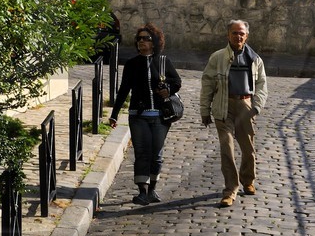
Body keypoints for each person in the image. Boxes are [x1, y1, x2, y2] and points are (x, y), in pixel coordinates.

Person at [108, 22, 182, 205]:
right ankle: (141, 191)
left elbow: (177, 82)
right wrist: (114, 114)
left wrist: (168, 90)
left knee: (156, 153)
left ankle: (152, 190)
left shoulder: (164, 62)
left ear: (155, 42)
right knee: (141, 152)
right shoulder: (132, 64)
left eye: (146, 39)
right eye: (139, 39)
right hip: (138, 115)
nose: (141, 42)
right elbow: (123, 90)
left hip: (160, 116)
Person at [200, 18, 268, 207]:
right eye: (234, 33)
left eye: (241, 33)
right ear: (228, 35)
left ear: (247, 36)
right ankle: (230, 189)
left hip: (245, 105)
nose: (238, 36)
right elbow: (207, 84)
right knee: (227, 149)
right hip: (223, 105)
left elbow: (262, 85)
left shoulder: (255, 59)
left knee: (248, 149)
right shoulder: (217, 57)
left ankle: (248, 180)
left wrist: (256, 107)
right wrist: (204, 110)